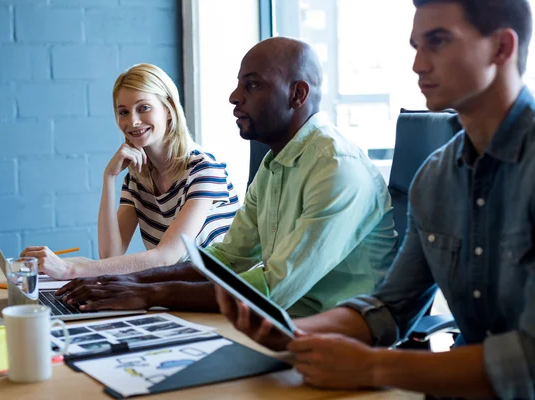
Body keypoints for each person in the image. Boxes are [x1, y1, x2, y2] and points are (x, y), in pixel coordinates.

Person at [216, 1, 535, 399]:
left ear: (502, 49)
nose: (418, 64)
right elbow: (390, 308)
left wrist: (375, 366)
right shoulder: (435, 178)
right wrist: (288, 332)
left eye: (437, 42)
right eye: (416, 45)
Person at [55, 37, 398, 318]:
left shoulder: (336, 167)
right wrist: (129, 284)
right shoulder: (273, 166)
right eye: (239, 85)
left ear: (298, 95)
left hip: (339, 336)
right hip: (280, 322)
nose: (234, 97)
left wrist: (149, 291)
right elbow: (226, 260)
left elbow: (273, 288)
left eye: (252, 85)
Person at [21, 64, 239, 280]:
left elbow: (167, 257)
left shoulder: (205, 169)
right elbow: (110, 255)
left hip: (223, 296)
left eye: (143, 108)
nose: (132, 121)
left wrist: (70, 270)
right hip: (179, 291)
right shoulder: (138, 178)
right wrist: (109, 178)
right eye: (123, 112)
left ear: (169, 109)